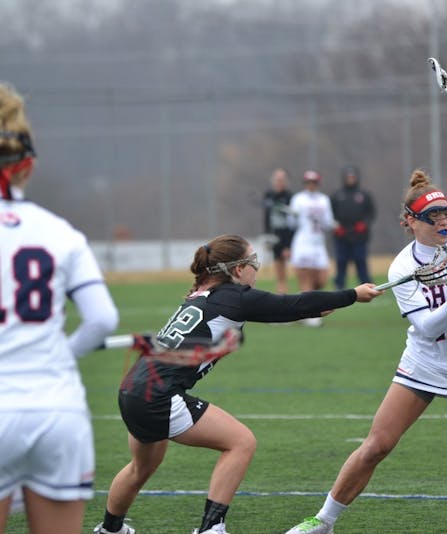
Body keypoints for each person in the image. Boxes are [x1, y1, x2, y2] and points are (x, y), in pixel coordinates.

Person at [93, 234, 383, 534]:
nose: (257, 268)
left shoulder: (204, 293)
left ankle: (110, 529)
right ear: (237, 269)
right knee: (240, 443)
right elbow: (294, 303)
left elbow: (294, 307)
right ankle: (211, 528)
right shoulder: (235, 296)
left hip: (132, 389)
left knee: (141, 468)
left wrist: (314, 307)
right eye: (253, 262)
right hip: (159, 396)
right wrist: (352, 294)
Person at [285, 168, 447, 534]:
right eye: (431, 217)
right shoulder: (403, 266)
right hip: (424, 362)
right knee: (376, 445)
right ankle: (323, 520)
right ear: (410, 221)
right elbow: (427, 327)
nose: (442, 222)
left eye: (446, 215)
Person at [0, 82, 120, 534]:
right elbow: (103, 319)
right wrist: (57, 357)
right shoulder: (60, 232)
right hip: (57, 410)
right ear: (26, 166)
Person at [289, 170, 335, 326]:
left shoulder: (324, 200)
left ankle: (301, 302)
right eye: (308, 182)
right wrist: (294, 216)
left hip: (319, 243)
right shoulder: (298, 199)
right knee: (305, 276)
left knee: (322, 278)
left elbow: (328, 221)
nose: (311, 185)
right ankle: (309, 313)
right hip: (303, 241)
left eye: (314, 182)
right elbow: (291, 223)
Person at [331, 164, 375, 290]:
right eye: (348, 177)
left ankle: (366, 285)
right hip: (342, 234)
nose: (350, 179)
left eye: (352, 177)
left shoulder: (364, 194)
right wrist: (336, 226)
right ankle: (339, 286)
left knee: (360, 260)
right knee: (341, 261)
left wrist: (364, 224)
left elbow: (371, 213)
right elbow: (330, 214)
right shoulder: (337, 195)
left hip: (359, 235)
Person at [262, 167, 295, 294]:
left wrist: (289, 245)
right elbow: (266, 218)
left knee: (286, 271)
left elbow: (292, 223)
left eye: (282, 179)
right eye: (276, 179)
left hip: (286, 236)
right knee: (278, 272)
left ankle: (285, 295)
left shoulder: (290, 197)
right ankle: (281, 294)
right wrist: (267, 237)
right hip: (274, 237)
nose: (279, 182)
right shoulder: (268, 196)